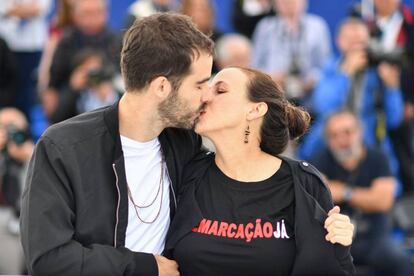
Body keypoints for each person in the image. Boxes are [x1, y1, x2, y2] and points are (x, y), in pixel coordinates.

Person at [21, 12, 215, 276]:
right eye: (200, 85)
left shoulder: (185, 143)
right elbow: (48, 259)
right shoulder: (63, 147)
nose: (207, 96)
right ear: (161, 87)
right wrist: (144, 267)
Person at [165, 67, 356, 276]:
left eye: (220, 90)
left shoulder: (303, 184)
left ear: (255, 110)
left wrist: (339, 245)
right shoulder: (188, 173)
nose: (205, 96)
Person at [311, 110, 414, 276]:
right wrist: (366, 196)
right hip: (334, 241)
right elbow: (314, 199)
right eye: (334, 135)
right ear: (328, 140)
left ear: (360, 132)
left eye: (347, 132)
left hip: (375, 239)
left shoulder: (378, 158)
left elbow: (383, 201)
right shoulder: (319, 160)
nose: (342, 139)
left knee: (401, 262)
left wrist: (345, 192)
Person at [299, 18, 404, 176]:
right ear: (339, 42)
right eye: (351, 41)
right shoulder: (330, 68)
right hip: (330, 138)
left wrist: (392, 88)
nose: (357, 47)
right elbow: (322, 106)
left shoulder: (377, 71)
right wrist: (345, 74)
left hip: (367, 137)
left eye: (361, 41)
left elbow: (394, 119)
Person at [251, 0, 331, 104]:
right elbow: (254, 66)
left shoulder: (317, 26)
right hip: (273, 95)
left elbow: (326, 66)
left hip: (309, 98)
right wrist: (271, 77)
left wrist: (310, 80)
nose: (289, 3)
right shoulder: (265, 27)